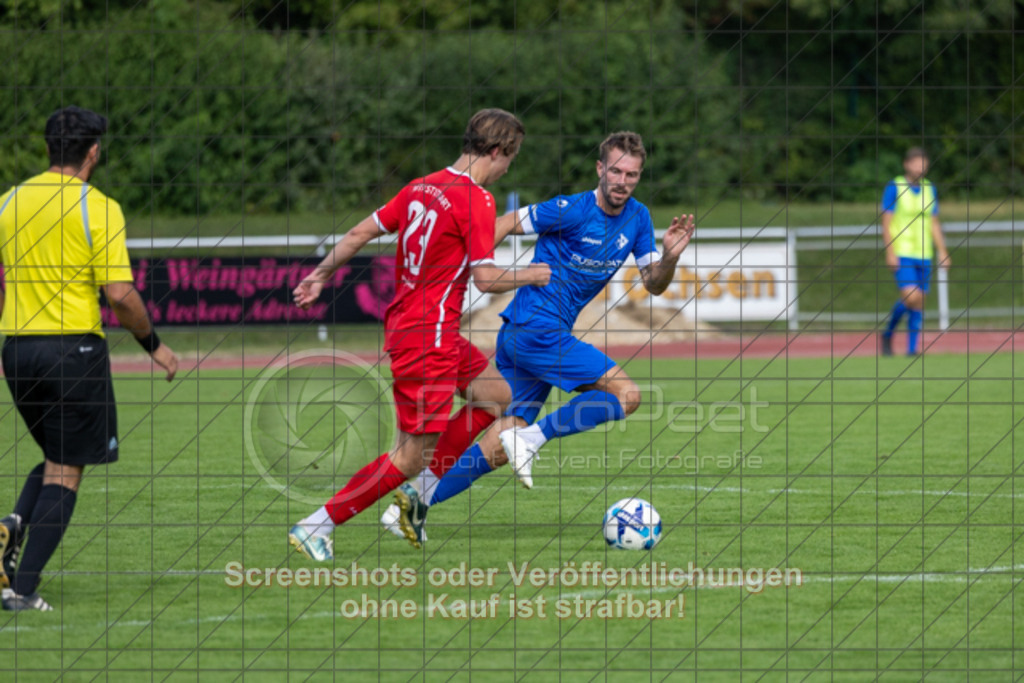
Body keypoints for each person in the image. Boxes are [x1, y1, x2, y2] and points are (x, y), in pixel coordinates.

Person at [385, 131, 696, 546]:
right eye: (617, 171)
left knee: (497, 446)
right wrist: (470, 266)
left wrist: (670, 257)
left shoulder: (638, 219)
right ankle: (532, 439)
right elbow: (503, 223)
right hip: (536, 331)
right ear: (600, 169)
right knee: (626, 395)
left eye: (633, 174)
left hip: (529, 337)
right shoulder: (569, 209)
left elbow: (653, 285)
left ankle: (410, 502)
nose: (623, 180)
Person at [287, 108, 550, 560]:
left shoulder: (420, 187)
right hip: (428, 340)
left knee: (495, 395)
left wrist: (319, 275)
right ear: (495, 151)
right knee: (409, 456)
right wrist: (532, 274)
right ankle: (318, 525)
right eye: (511, 158)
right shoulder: (477, 199)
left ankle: (419, 498)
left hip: (426, 331)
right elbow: (485, 279)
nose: (509, 168)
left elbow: (359, 232)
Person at [0, 106, 179, 611]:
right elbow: (120, 295)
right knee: (69, 468)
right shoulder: (96, 206)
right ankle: (21, 589)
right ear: (93, 151)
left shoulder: (9, 201)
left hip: (16, 351)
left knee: (57, 457)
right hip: (71, 350)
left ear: (47, 147)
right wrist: (155, 345)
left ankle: (10, 529)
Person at [880, 147, 951, 356]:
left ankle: (912, 349)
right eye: (917, 163)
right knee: (911, 296)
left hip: (924, 253)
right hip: (903, 251)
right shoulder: (895, 187)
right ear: (906, 164)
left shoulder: (930, 189)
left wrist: (943, 251)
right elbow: (886, 222)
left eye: (924, 163)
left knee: (919, 300)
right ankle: (888, 332)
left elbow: (934, 223)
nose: (921, 167)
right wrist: (890, 251)